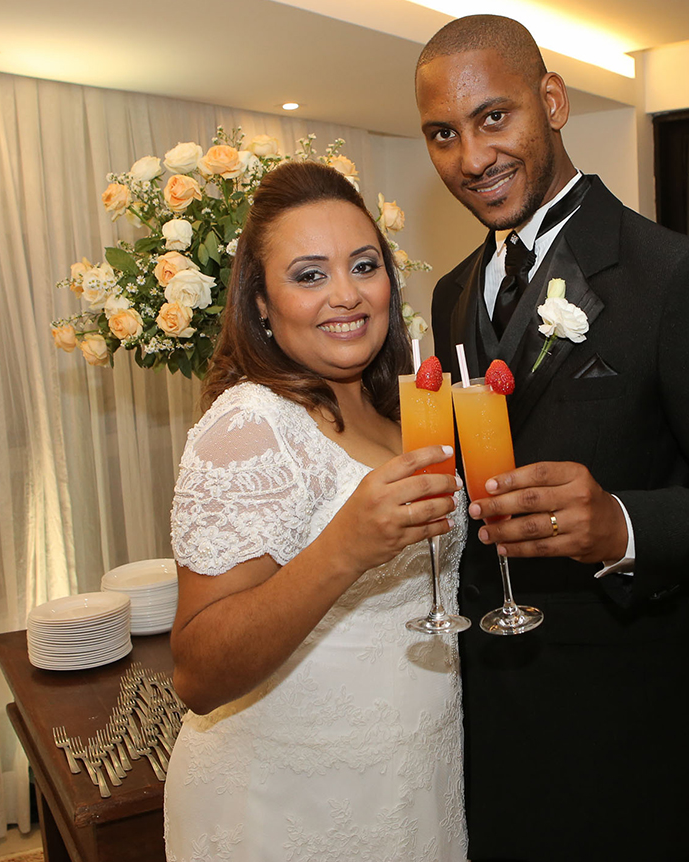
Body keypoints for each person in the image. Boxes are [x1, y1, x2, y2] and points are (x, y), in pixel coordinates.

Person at [415, 15, 689, 861]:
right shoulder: (454, 293)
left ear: (551, 102)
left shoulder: (676, 276)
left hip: (615, 711)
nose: (471, 158)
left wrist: (622, 526)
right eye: (442, 134)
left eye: (494, 118)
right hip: (477, 700)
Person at [163, 160, 467, 860]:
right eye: (309, 275)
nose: (346, 295)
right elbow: (198, 674)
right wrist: (344, 548)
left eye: (364, 265)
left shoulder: (404, 409)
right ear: (261, 304)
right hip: (291, 801)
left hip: (414, 776)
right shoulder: (249, 425)